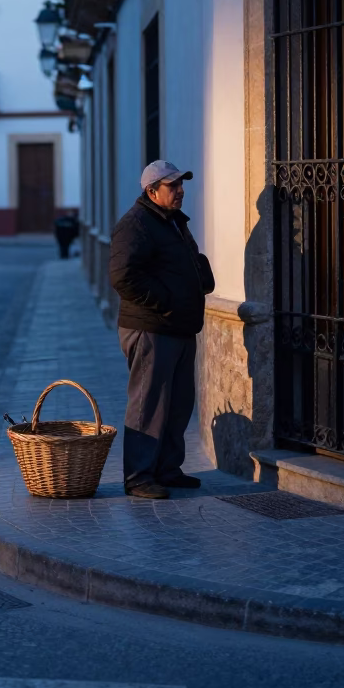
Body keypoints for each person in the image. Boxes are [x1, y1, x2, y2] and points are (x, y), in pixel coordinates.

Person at [108, 160, 214, 499]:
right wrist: (166, 302)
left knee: (179, 402)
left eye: (182, 183)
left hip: (179, 327)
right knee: (148, 403)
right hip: (152, 328)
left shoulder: (173, 222)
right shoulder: (136, 225)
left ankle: (167, 468)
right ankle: (138, 476)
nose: (181, 190)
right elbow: (123, 276)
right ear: (152, 191)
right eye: (173, 185)